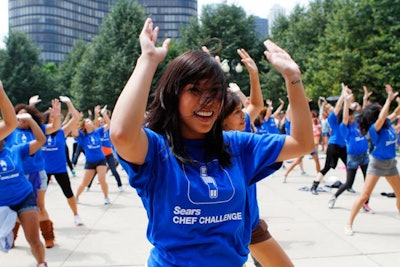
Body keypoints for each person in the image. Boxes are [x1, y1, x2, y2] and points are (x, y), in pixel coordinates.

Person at [110, 18, 313, 266]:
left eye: (215, 92)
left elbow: (302, 143)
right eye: (195, 90)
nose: (207, 101)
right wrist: (148, 60)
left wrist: (293, 77)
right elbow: (121, 133)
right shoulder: (156, 150)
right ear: (174, 95)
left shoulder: (238, 146)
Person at [0, 81, 48, 266]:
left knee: (33, 239)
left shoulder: (15, 149)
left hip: (23, 196)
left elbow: (40, 139)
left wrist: (2, 93)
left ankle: (41, 263)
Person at [345, 84, 400, 236]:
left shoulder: (388, 124)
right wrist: (389, 99)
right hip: (377, 163)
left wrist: (397, 103)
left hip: (391, 163)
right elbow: (382, 117)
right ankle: (349, 223)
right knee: (364, 195)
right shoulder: (373, 129)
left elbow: (395, 113)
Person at [7, 98, 61, 249]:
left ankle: (48, 236)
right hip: (16, 176)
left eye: (25, 116)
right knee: (16, 207)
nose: (21, 119)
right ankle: (12, 237)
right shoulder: (10, 131)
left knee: (39, 206)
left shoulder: (38, 129)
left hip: (36, 173)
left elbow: (55, 127)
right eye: (18, 116)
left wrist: (56, 114)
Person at [41, 96, 84, 225]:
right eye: (52, 118)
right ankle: (42, 218)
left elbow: (76, 118)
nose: (54, 120)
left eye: (56, 118)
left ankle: (76, 215)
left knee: (68, 193)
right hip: (43, 170)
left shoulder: (62, 132)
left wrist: (69, 103)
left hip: (60, 169)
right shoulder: (41, 131)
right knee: (39, 197)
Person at [328, 87, 372, 212]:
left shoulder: (358, 123)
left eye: (353, 115)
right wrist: (346, 101)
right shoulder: (344, 127)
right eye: (350, 116)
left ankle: (365, 204)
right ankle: (334, 196)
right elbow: (346, 117)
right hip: (353, 157)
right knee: (348, 183)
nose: (352, 118)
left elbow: (364, 112)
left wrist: (364, 98)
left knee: (368, 181)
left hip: (364, 156)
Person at [310, 84, 349, 195]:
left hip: (342, 146)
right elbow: (338, 107)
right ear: (327, 112)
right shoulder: (331, 118)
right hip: (333, 145)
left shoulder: (341, 119)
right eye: (330, 108)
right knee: (327, 167)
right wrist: (342, 95)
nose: (333, 108)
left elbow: (343, 108)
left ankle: (348, 185)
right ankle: (314, 185)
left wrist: (346, 98)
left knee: (349, 166)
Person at [72, 105, 111, 205]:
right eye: (87, 121)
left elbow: (109, 124)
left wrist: (103, 114)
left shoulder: (97, 132)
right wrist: (77, 118)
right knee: (85, 183)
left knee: (102, 180)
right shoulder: (82, 135)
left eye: (90, 121)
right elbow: (73, 131)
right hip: (90, 162)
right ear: (84, 125)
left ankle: (106, 197)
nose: (90, 122)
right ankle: (76, 197)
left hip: (101, 159)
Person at [86, 109, 123, 192]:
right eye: (100, 122)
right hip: (100, 155)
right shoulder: (96, 131)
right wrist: (95, 114)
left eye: (103, 121)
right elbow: (94, 124)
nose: (101, 123)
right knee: (95, 171)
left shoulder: (106, 129)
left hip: (109, 153)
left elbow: (110, 124)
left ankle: (120, 185)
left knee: (113, 170)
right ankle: (88, 186)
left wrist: (104, 115)